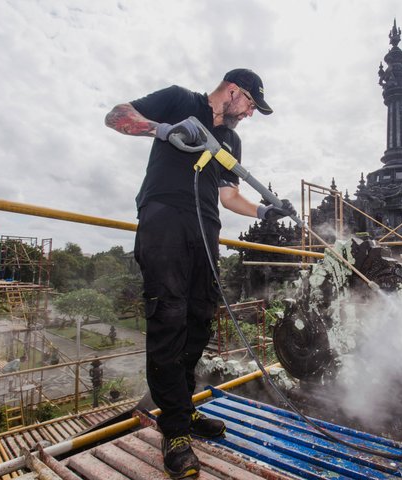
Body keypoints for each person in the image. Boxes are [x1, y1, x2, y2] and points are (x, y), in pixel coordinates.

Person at [105, 68, 295, 479]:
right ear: (233, 91)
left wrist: (265, 211)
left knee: (199, 320)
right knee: (168, 316)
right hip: (164, 217)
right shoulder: (178, 99)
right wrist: (164, 130)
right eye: (248, 105)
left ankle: (183, 410)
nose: (247, 115)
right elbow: (116, 116)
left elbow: (229, 196)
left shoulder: (231, 139)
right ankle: (173, 432)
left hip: (206, 226)